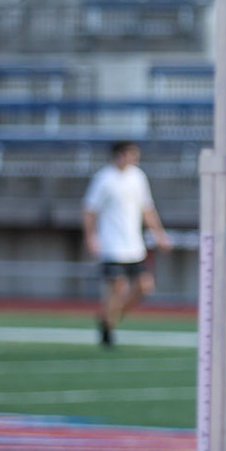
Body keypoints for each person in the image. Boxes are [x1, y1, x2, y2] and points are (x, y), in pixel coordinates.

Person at [82, 140, 171, 347]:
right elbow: (89, 210)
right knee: (118, 288)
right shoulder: (104, 179)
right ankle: (108, 326)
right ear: (119, 155)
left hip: (134, 245)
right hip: (112, 245)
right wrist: (91, 237)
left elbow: (146, 208)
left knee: (144, 286)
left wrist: (159, 234)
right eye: (131, 154)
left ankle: (109, 318)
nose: (135, 159)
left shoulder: (138, 177)